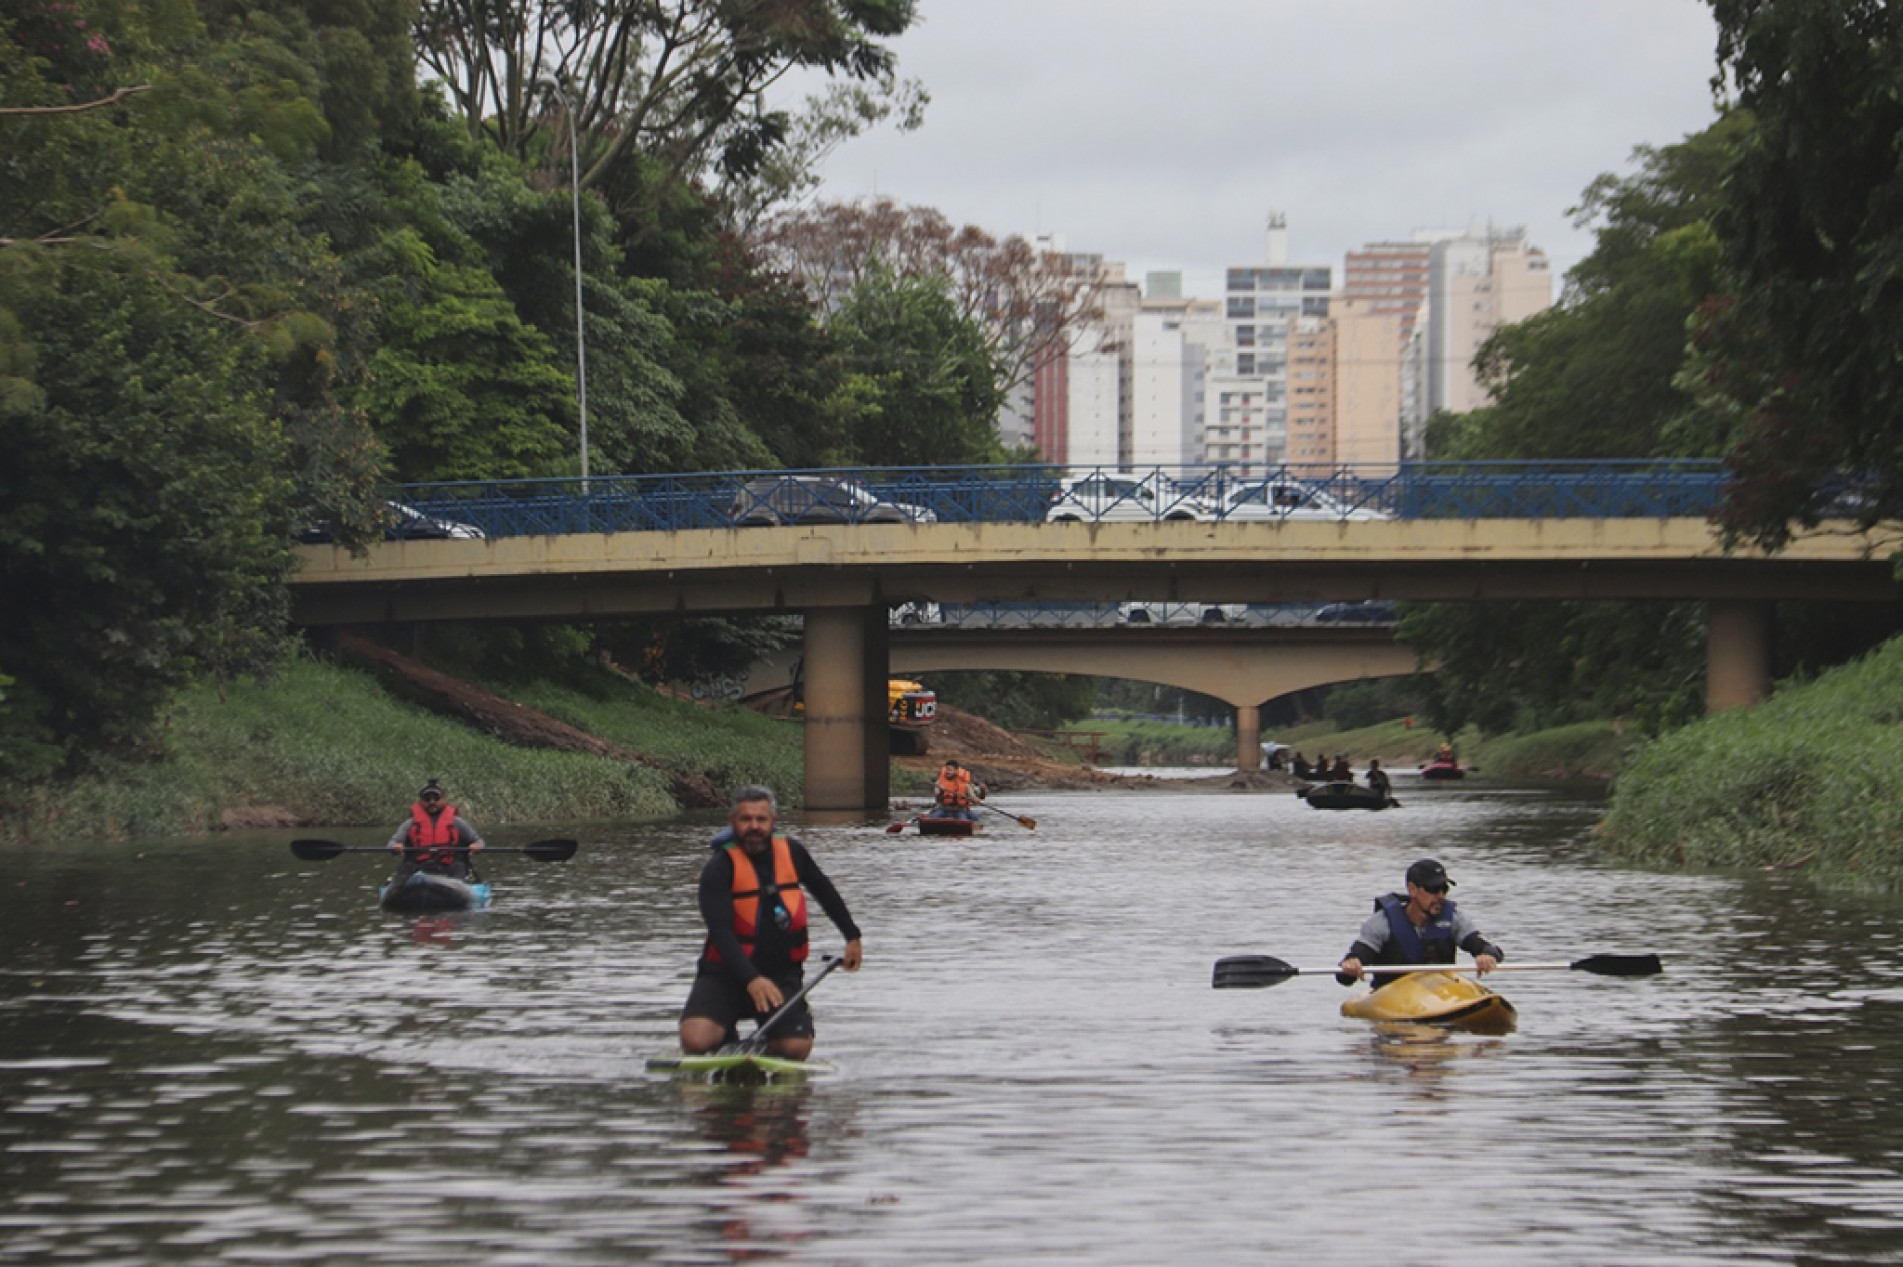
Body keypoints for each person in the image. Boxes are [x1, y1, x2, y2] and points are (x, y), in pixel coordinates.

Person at [679, 785, 864, 1060]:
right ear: (733, 822)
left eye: (761, 819)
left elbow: (824, 891)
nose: (754, 826)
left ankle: (769, 1042)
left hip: (780, 974)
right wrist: (751, 979)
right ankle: (724, 1037)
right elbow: (720, 931)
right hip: (724, 974)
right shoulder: (718, 867)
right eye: (745, 819)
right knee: (695, 1041)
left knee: (795, 1048)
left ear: (773, 822)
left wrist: (852, 937)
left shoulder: (793, 852)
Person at [1337, 858, 1502, 987]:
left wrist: (1487, 955)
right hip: (1393, 995)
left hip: (1442, 992)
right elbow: (1353, 962)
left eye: (1444, 889)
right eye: (1432, 889)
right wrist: (1352, 963)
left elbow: (1486, 946)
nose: (1440, 896)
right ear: (1412, 890)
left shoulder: (1453, 919)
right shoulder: (1382, 923)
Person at [386, 779, 485, 880]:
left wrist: (476, 846)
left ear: (443, 799)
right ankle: (401, 890)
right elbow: (392, 843)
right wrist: (395, 846)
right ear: (421, 801)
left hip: (449, 866)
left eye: (436, 798)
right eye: (427, 799)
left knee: (459, 867)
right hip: (419, 866)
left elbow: (478, 841)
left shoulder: (457, 822)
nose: (432, 802)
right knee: (405, 868)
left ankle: (456, 890)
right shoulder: (410, 823)